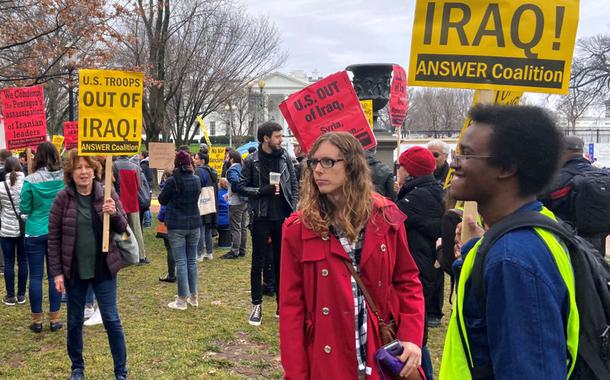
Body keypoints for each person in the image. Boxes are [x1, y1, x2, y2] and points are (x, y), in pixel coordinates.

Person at [440, 105, 579, 378]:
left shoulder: (513, 258)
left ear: (506, 167)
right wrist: (477, 250)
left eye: (466, 154)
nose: (454, 163)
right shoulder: (535, 228)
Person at [280, 132, 425, 379]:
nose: (317, 170)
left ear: (352, 166)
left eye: (328, 162)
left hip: (378, 352)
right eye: (313, 162)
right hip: (327, 356)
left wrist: (411, 338)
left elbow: (407, 280)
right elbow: (292, 308)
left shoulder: (386, 215)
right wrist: (296, 373)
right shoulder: (298, 229)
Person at [47, 150, 128, 380]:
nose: (83, 172)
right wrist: (56, 273)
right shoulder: (62, 199)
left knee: (111, 319)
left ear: (95, 170)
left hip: (104, 269)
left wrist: (113, 214)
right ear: (70, 173)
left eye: (87, 167)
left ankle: (120, 372)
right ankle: (77, 368)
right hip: (74, 271)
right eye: (78, 168)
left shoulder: (106, 193)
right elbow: (53, 238)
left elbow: (123, 228)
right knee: (74, 322)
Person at [238, 121, 298, 326]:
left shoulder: (284, 157)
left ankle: (283, 304)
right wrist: (261, 191)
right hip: (261, 218)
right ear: (266, 138)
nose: (281, 140)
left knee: (283, 263)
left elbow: (294, 185)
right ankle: (257, 305)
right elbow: (240, 186)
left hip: (282, 217)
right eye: (277, 136)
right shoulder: (251, 161)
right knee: (258, 262)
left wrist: (293, 208)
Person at [395, 146, 444, 380]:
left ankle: (424, 375)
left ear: (410, 171)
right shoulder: (427, 190)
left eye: (400, 166)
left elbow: (390, 217)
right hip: (423, 262)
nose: (398, 171)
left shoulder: (418, 197)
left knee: (416, 336)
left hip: (418, 264)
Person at [19, 142, 65, 333]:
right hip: (57, 232)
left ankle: (37, 321)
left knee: (36, 276)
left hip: (34, 231)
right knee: (56, 275)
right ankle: (54, 319)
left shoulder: (30, 181)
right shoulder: (64, 179)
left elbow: (24, 208)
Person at [540, 135, 608, 255]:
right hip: (597, 242)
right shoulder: (599, 174)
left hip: (566, 241)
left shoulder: (558, 179)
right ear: (581, 151)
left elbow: (540, 203)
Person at [158, 151, 202, 310]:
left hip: (176, 225)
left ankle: (182, 300)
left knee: (182, 262)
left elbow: (162, 199)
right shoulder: (196, 180)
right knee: (191, 261)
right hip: (194, 224)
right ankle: (193, 296)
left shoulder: (172, 181)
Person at [1, 157, 26, 306]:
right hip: (24, 228)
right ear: (20, 167)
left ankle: (10, 296)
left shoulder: (1, 187)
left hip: (6, 230)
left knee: (9, 262)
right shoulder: (27, 184)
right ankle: (21, 295)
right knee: (23, 261)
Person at [114, 156, 149, 264]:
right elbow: (139, 186)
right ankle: (141, 256)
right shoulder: (135, 167)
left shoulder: (113, 166)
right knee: (137, 230)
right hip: (133, 202)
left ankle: (124, 252)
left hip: (119, 202)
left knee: (122, 230)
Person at [220, 151, 248, 259]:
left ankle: (234, 251)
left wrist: (233, 192)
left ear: (232, 159)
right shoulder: (242, 167)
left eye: (228, 157)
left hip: (236, 202)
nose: (226, 159)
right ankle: (242, 249)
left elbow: (235, 183)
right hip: (244, 201)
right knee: (243, 227)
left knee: (235, 227)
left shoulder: (232, 170)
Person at [194, 152, 217, 260]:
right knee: (207, 228)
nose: (195, 160)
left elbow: (197, 187)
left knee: (201, 228)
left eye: (197, 159)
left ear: (202, 160)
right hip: (210, 202)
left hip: (201, 202)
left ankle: (200, 253)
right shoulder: (212, 171)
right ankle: (209, 252)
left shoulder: (199, 171)